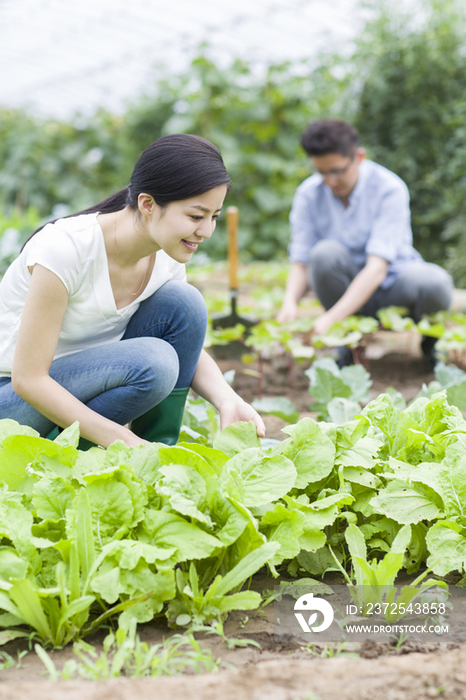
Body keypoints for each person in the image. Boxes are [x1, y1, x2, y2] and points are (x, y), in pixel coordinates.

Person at [0, 133, 265, 448]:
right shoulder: (66, 249)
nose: (206, 231)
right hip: (14, 400)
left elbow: (186, 341)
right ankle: (69, 450)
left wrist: (226, 399)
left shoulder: (166, 255)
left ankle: (158, 449)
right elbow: (28, 380)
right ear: (148, 204)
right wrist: (121, 438)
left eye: (214, 217)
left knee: (185, 303)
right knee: (155, 362)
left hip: (84, 386)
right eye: (196, 216)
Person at [277, 118, 454, 369]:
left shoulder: (389, 189)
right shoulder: (309, 194)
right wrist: (289, 302)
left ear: (359, 157)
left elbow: (377, 269)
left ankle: (430, 345)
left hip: (394, 288)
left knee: (436, 282)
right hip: (345, 289)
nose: (330, 180)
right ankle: (348, 343)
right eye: (321, 172)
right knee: (323, 254)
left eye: (337, 171)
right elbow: (301, 259)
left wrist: (329, 319)